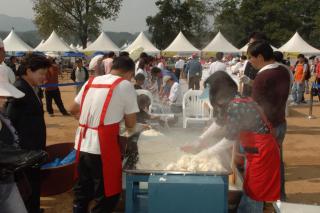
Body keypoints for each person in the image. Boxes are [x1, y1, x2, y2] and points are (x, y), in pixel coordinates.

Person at [182, 71, 280, 213]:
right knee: (251, 189)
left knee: (254, 194)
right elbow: (219, 122)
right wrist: (199, 140)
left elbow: (229, 139)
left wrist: (205, 153)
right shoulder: (232, 100)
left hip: (263, 152)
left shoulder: (236, 105)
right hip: (255, 150)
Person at [70, 56, 139, 213]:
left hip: (81, 144)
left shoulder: (91, 81)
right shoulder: (125, 85)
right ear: (130, 73)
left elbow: (73, 108)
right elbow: (131, 124)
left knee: (82, 192)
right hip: (102, 148)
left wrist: (90, 121)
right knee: (107, 195)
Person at [6, 54, 51, 213]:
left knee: (33, 186)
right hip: (25, 153)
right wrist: (19, 153)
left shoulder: (31, 88)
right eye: (41, 73)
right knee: (27, 189)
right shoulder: (19, 89)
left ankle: (34, 208)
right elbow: (10, 123)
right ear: (28, 71)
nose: (44, 78)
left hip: (33, 151)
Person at [248, 41, 291, 201]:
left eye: (251, 58)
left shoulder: (262, 77)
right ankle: (281, 198)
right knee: (277, 164)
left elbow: (257, 108)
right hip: (281, 123)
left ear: (259, 56)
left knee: (261, 168)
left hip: (267, 128)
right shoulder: (284, 70)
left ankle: (261, 202)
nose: (250, 61)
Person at [240, 32, 268, 96]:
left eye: (252, 44)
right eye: (249, 44)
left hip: (259, 101)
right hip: (247, 99)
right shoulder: (248, 62)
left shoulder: (268, 64)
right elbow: (244, 82)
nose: (249, 47)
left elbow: (267, 87)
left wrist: (249, 81)